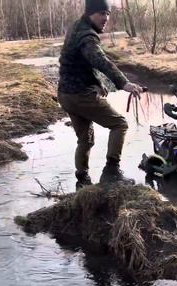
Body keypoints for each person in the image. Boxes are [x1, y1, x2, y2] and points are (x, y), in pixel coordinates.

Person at [57, 0, 144, 188]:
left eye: (108, 13)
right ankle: (111, 172)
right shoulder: (88, 36)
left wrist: (97, 83)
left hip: (66, 95)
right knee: (119, 124)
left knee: (85, 139)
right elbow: (100, 61)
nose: (105, 18)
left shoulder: (77, 27)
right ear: (90, 13)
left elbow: (80, 63)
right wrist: (124, 83)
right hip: (80, 95)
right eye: (101, 13)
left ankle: (82, 181)